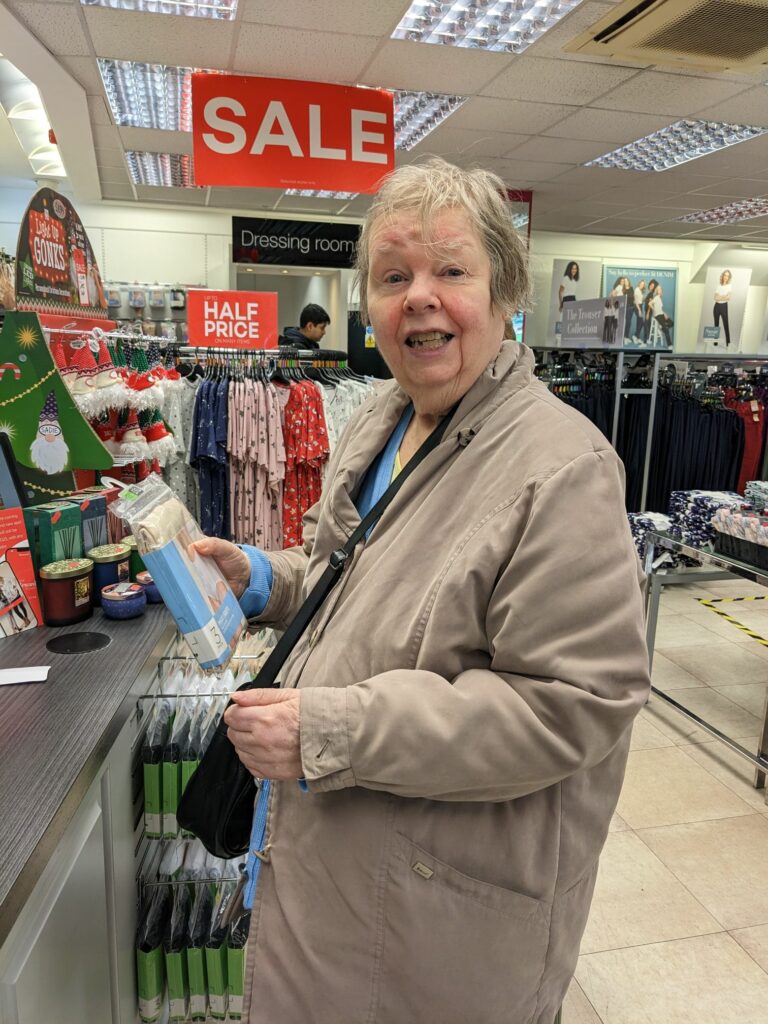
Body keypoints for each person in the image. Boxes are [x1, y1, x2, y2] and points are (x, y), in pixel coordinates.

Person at [194, 157, 650, 1024]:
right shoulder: (384, 418)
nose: (420, 298)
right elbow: (346, 573)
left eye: (451, 270)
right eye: (394, 276)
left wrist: (332, 730)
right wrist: (261, 577)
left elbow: (572, 705)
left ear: (504, 292)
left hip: (432, 924)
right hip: (335, 870)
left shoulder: (565, 467)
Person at [713, 269, 733, 347]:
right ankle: (715, 343)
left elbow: (728, 298)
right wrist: (723, 296)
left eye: (727, 276)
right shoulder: (718, 286)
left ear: (729, 277)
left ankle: (728, 343)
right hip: (716, 307)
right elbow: (715, 298)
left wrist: (720, 297)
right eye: (725, 275)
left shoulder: (729, 286)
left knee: (726, 325)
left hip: (724, 306)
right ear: (723, 276)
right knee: (716, 325)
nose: (726, 277)